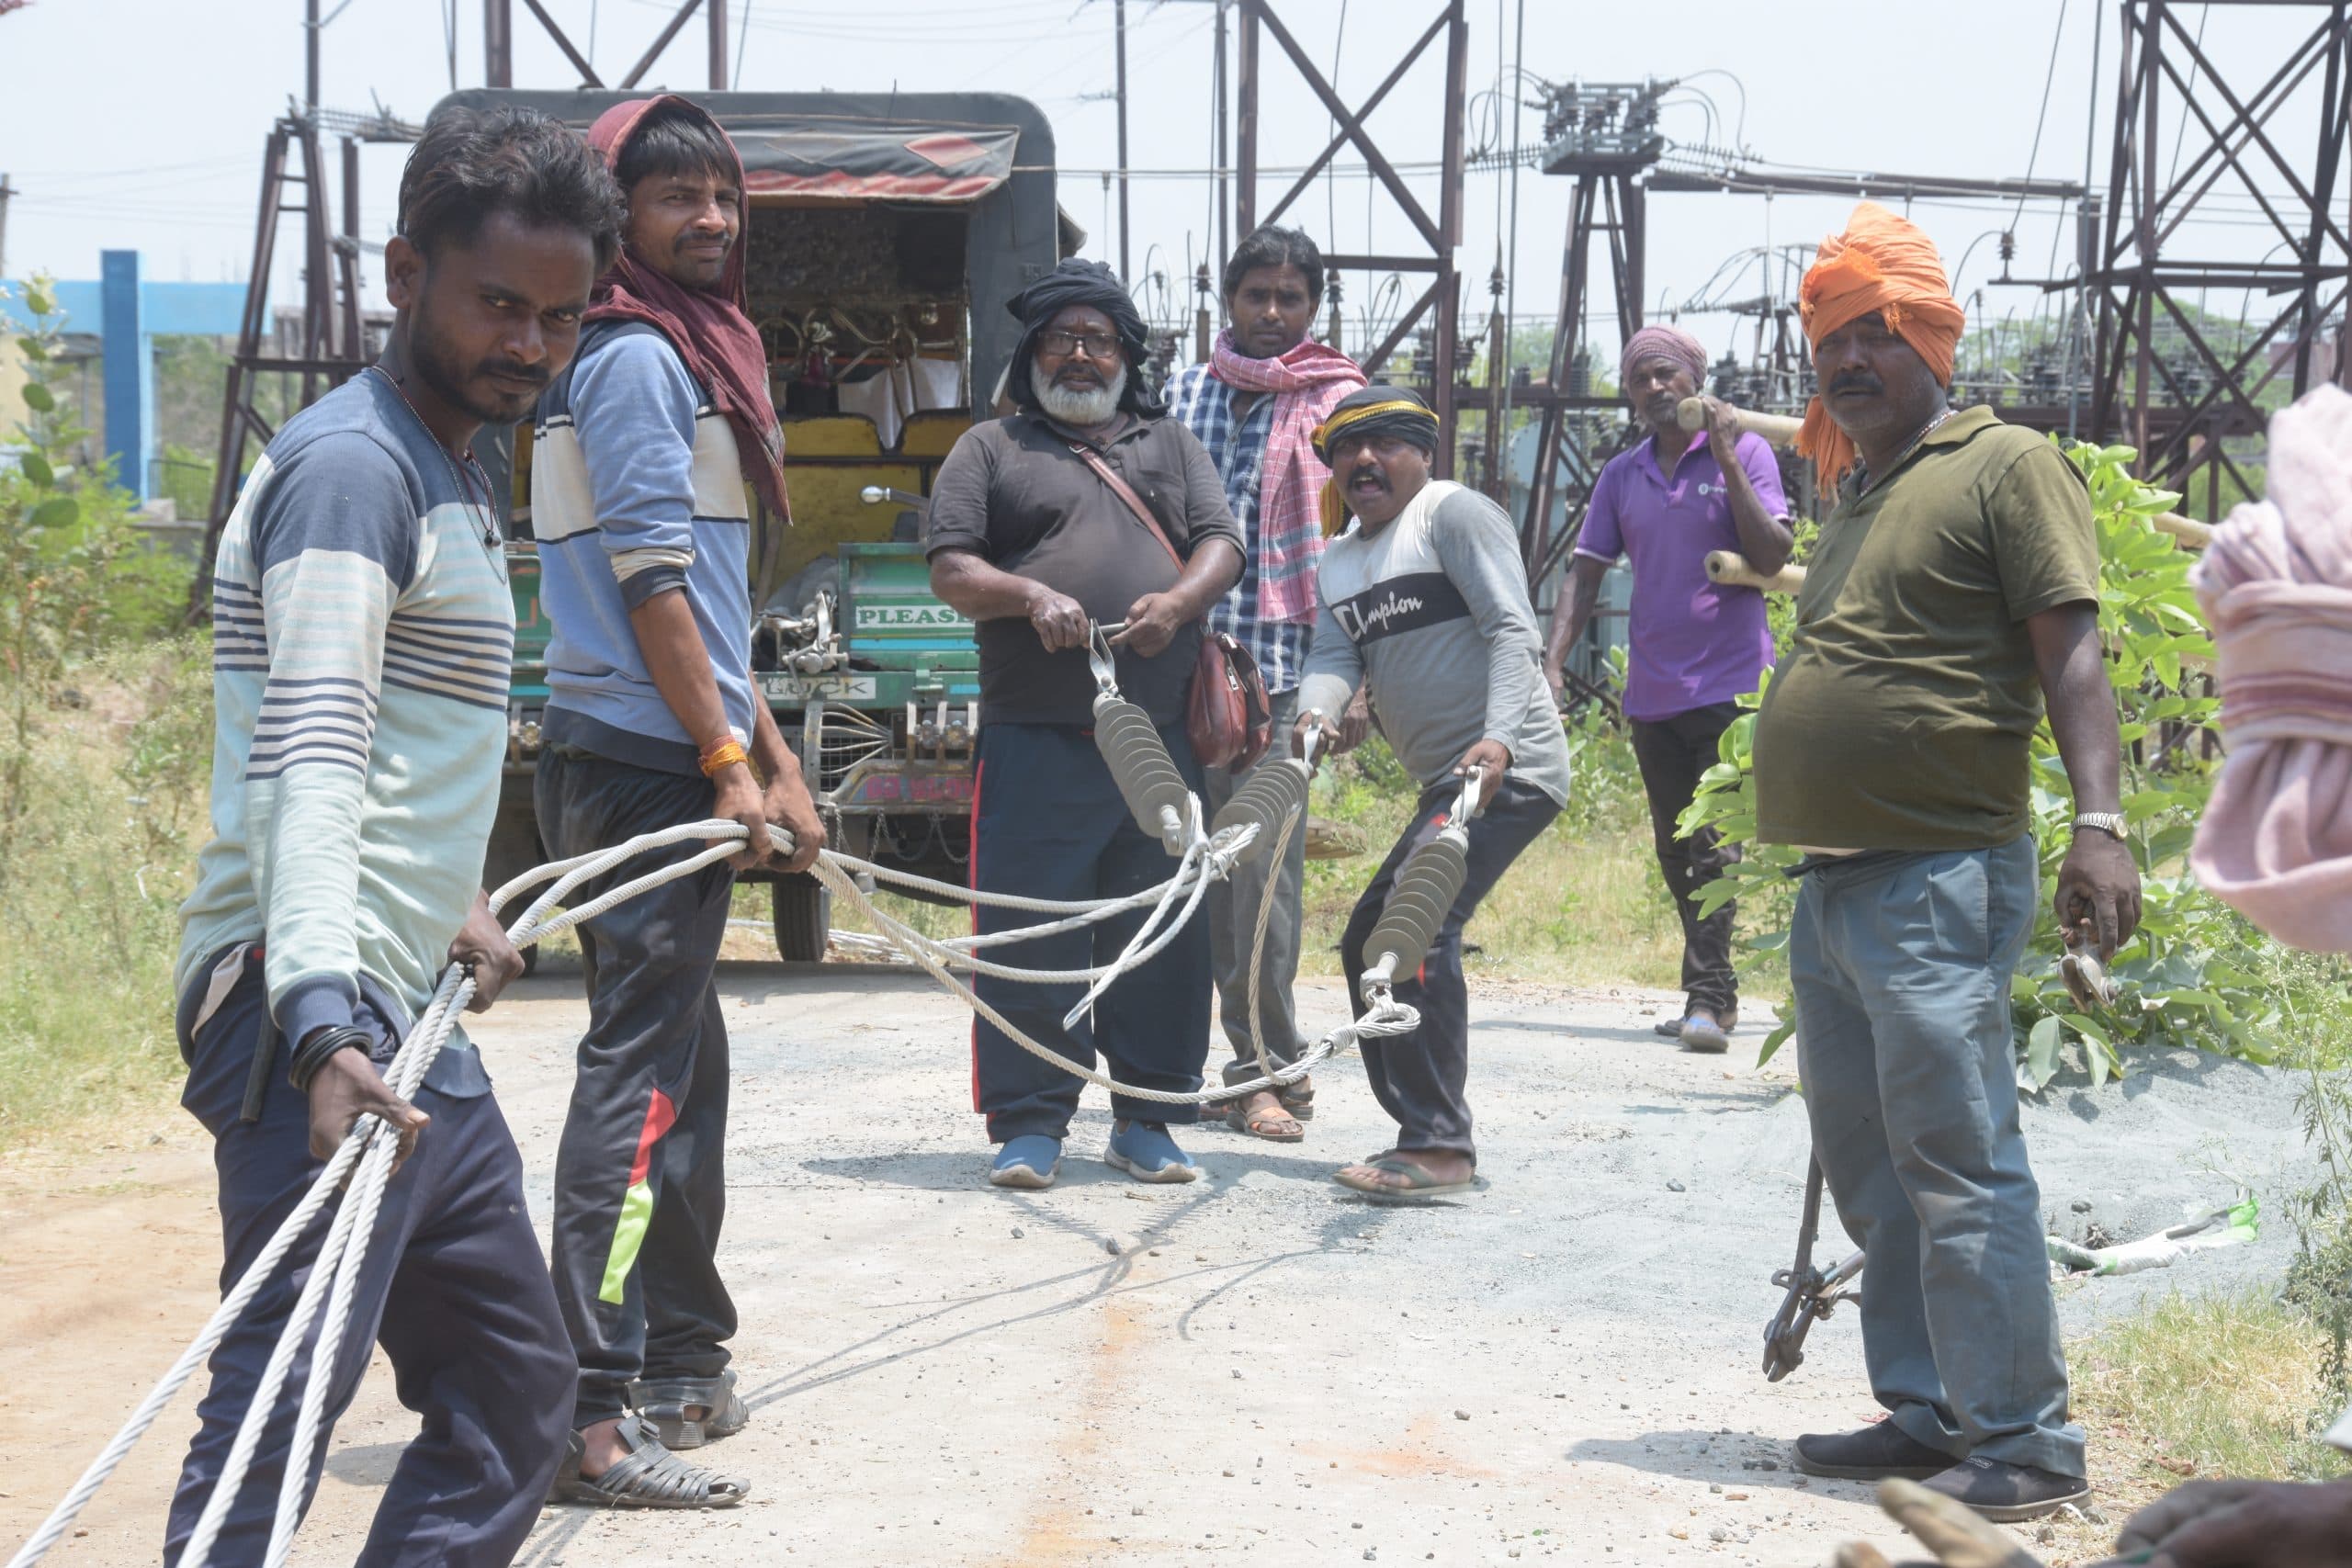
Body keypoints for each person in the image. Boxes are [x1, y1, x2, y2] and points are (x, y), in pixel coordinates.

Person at [166, 105, 622, 1565]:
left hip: (406, 1004)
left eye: (560, 316)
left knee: (515, 1385)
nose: (530, 343)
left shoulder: (450, 462)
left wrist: (454, 895)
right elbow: (308, 759)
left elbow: (398, 756)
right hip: (318, 1012)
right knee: (278, 1409)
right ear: (404, 272)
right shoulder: (355, 472)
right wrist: (317, 1022)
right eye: (499, 303)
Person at [1752, 203, 2141, 1521]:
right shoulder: (1860, 487)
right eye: (1829, 341)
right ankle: (1928, 1411)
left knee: (1960, 1161)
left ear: (1929, 338)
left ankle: (2026, 1442)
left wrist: (2102, 823)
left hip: (1936, 876)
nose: (1847, 359)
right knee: (1874, 1167)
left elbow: (2069, 650)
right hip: (1834, 884)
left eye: (1875, 333)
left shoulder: (2004, 464)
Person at [529, 94, 825, 1508]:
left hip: (657, 744)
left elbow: (700, 602)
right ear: (618, 220)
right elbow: (651, 581)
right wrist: (722, 757)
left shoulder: (673, 352)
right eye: (675, 198)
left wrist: (773, 754)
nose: (711, 219)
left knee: (682, 1069)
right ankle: (589, 1402)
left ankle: (682, 1358)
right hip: (642, 761)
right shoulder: (641, 357)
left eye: (724, 195)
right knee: (640, 1084)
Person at [926, 258, 1244, 1190]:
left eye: (1097, 340)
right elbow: (951, 568)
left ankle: (1149, 1119)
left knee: (1161, 931)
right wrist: (1029, 595)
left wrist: (1178, 604)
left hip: (1161, 736)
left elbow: (1222, 544)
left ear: (1124, 357)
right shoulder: (989, 448)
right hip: (1035, 735)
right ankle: (1031, 1123)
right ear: (1032, 354)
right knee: (1031, 933)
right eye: (1060, 339)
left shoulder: (1171, 445)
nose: (1078, 355)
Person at [1292, 387, 1571, 1199]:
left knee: (1413, 929)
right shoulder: (1340, 557)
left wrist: (1501, 738)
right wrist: (1314, 715)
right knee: (1366, 942)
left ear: (1423, 452)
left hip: (1507, 769)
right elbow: (1335, 657)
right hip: (1446, 781)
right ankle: (1419, 1128)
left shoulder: (1452, 514)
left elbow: (1513, 629)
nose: (1364, 460)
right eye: (1347, 449)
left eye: (1385, 443)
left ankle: (1440, 1144)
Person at [1162, 224, 1366, 1142]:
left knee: (1265, 877)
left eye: (1291, 298)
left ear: (1313, 307)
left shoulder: (1343, 404)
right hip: (1184, 668)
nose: (1273, 312)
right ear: (1230, 302)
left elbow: (1368, 544)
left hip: (1285, 671)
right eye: (1258, 296)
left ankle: (1265, 1070)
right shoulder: (1183, 395)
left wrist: (1358, 681)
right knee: (1199, 873)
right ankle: (1233, 1066)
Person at [1539, 323, 1790, 1053]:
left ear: (1694, 381)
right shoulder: (1623, 475)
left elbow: (1772, 555)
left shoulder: (1748, 450)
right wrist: (1551, 663)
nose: (1654, 387)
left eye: (1666, 374)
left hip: (1732, 688)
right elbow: (1585, 574)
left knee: (1715, 844)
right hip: (1653, 692)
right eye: (1640, 378)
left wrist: (1725, 455)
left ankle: (1706, 998)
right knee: (1675, 850)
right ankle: (1717, 992)